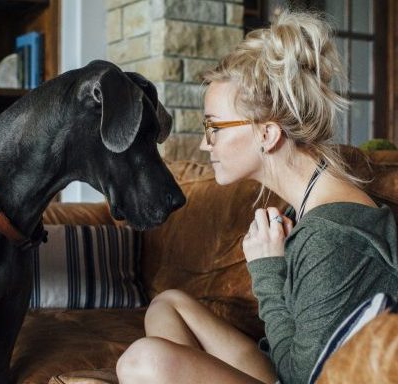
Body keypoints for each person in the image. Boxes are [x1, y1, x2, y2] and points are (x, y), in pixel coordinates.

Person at [116, 9, 398, 384]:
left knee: (144, 362)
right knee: (168, 304)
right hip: (286, 367)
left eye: (214, 127)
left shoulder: (331, 239)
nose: (204, 143)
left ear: (267, 134)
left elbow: (300, 376)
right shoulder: (311, 202)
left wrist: (267, 270)